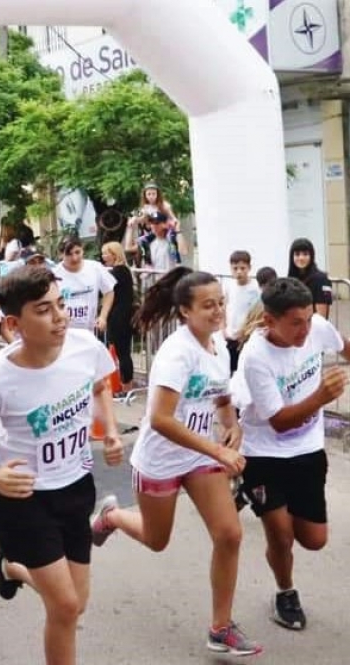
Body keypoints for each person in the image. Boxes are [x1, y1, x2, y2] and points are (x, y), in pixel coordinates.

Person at [0, 265, 124, 665]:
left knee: (76, 603)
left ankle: (9, 565)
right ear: (15, 322)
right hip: (22, 498)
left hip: (76, 487)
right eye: (44, 310)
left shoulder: (85, 346)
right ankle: (11, 560)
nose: (60, 316)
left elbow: (100, 385)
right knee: (64, 607)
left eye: (61, 304)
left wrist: (111, 430)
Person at [90, 267, 262, 656]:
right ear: (184, 311)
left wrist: (231, 425)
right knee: (156, 540)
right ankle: (112, 518)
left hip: (199, 458)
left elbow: (219, 395)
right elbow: (161, 420)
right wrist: (218, 450)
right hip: (161, 460)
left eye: (221, 303)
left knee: (230, 534)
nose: (218, 311)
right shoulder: (176, 353)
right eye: (207, 306)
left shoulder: (217, 345)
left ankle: (220, 628)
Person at [235, 277, 350, 631]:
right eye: (296, 322)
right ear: (269, 320)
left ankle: (257, 501)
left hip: (308, 451)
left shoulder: (317, 327)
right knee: (280, 536)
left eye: (309, 319)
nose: (305, 329)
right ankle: (285, 591)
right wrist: (321, 398)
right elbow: (279, 421)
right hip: (264, 454)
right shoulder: (255, 357)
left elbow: (344, 345)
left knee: (314, 540)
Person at [52, 237, 115, 333]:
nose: (75, 258)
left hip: (87, 332)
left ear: (82, 250)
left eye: (77, 252)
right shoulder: (53, 274)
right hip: (63, 332)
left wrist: (103, 317)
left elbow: (109, 291)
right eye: (69, 254)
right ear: (61, 255)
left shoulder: (95, 268)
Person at [100, 242, 134, 394]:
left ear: (114, 254)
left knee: (123, 352)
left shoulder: (117, 272)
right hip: (123, 314)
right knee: (123, 351)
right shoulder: (122, 271)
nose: (103, 256)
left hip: (119, 316)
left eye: (106, 253)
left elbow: (105, 290)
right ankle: (126, 385)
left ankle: (126, 386)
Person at [223, 251, 261, 373]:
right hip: (230, 336)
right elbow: (223, 308)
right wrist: (223, 329)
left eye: (242, 268)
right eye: (235, 268)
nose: (239, 271)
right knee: (231, 368)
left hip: (246, 336)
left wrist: (246, 331)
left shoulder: (255, 288)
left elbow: (256, 314)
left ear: (249, 268)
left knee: (246, 369)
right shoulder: (228, 285)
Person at [287, 238, 333, 318]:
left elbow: (321, 317)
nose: (301, 258)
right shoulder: (290, 280)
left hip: (312, 327)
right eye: (297, 254)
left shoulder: (321, 279)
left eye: (305, 254)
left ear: (311, 256)